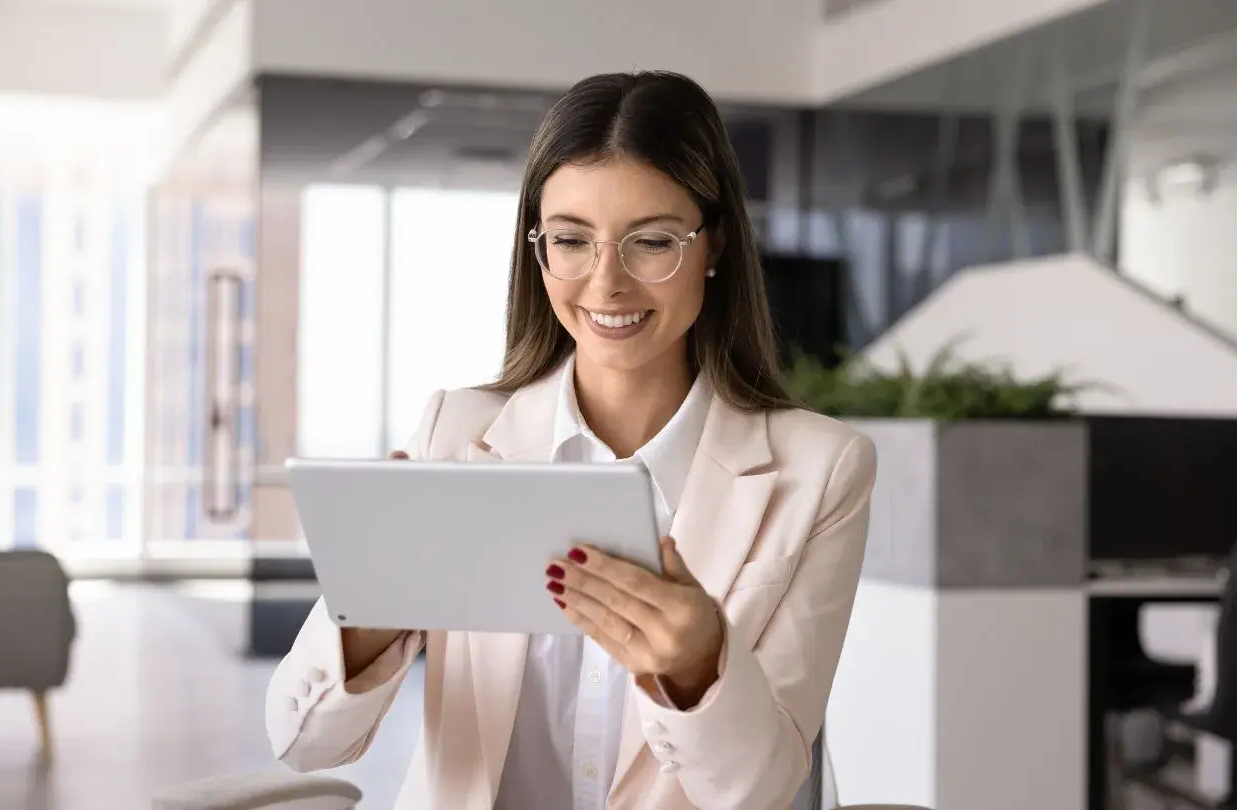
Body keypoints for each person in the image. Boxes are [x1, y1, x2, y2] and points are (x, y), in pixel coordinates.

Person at [266, 70, 877, 810]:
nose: (606, 282)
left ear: (713, 246)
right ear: (539, 249)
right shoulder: (455, 434)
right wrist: (373, 609)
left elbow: (760, 789)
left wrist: (697, 668)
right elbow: (301, 742)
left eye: (652, 242)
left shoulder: (819, 470)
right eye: (571, 240)